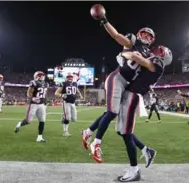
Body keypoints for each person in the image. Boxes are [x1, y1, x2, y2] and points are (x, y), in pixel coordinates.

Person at [81, 11, 156, 163]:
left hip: (129, 87)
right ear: (139, 34)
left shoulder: (151, 56)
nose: (146, 37)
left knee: (121, 124)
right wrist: (104, 21)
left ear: (152, 40)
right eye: (144, 34)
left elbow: (150, 71)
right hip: (118, 78)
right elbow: (116, 36)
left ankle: (87, 132)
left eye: (149, 36)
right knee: (112, 112)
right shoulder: (133, 42)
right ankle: (96, 143)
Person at [115, 45, 172, 182]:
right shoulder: (153, 63)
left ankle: (134, 170)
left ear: (163, 57)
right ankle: (146, 150)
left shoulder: (158, 66)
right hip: (129, 94)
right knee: (121, 131)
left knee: (126, 133)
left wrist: (124, 54)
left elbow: (136, 58)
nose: (156, 51)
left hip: (133, 96)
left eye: (160, 52)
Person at [14, 71, 48, 142]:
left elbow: (44, 95)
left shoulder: (46, 84)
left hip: (41, 104)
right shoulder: (34, 82)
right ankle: (19, 124)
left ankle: (39, 137)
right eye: (40, 75)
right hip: (33, 104)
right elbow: (29, 92)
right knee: (29, 121)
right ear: (36, 76)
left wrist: (45, 103)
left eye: (42, 75)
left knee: (42, 120)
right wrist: (32, 98)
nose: (41, 76)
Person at [55, 72, 83, 136]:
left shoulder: (75, 83)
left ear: (72, 78)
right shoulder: (63, 84)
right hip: (66, 102)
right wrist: (61, 95)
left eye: (71, 77)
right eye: (68, 77)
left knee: (74, 119)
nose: (70, 78)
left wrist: (80, 94)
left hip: (73, 103)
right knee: (68, 118)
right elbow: (56, 93)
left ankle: (63, 116)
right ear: (66, 78)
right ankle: (65, 132)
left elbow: (77, 89)